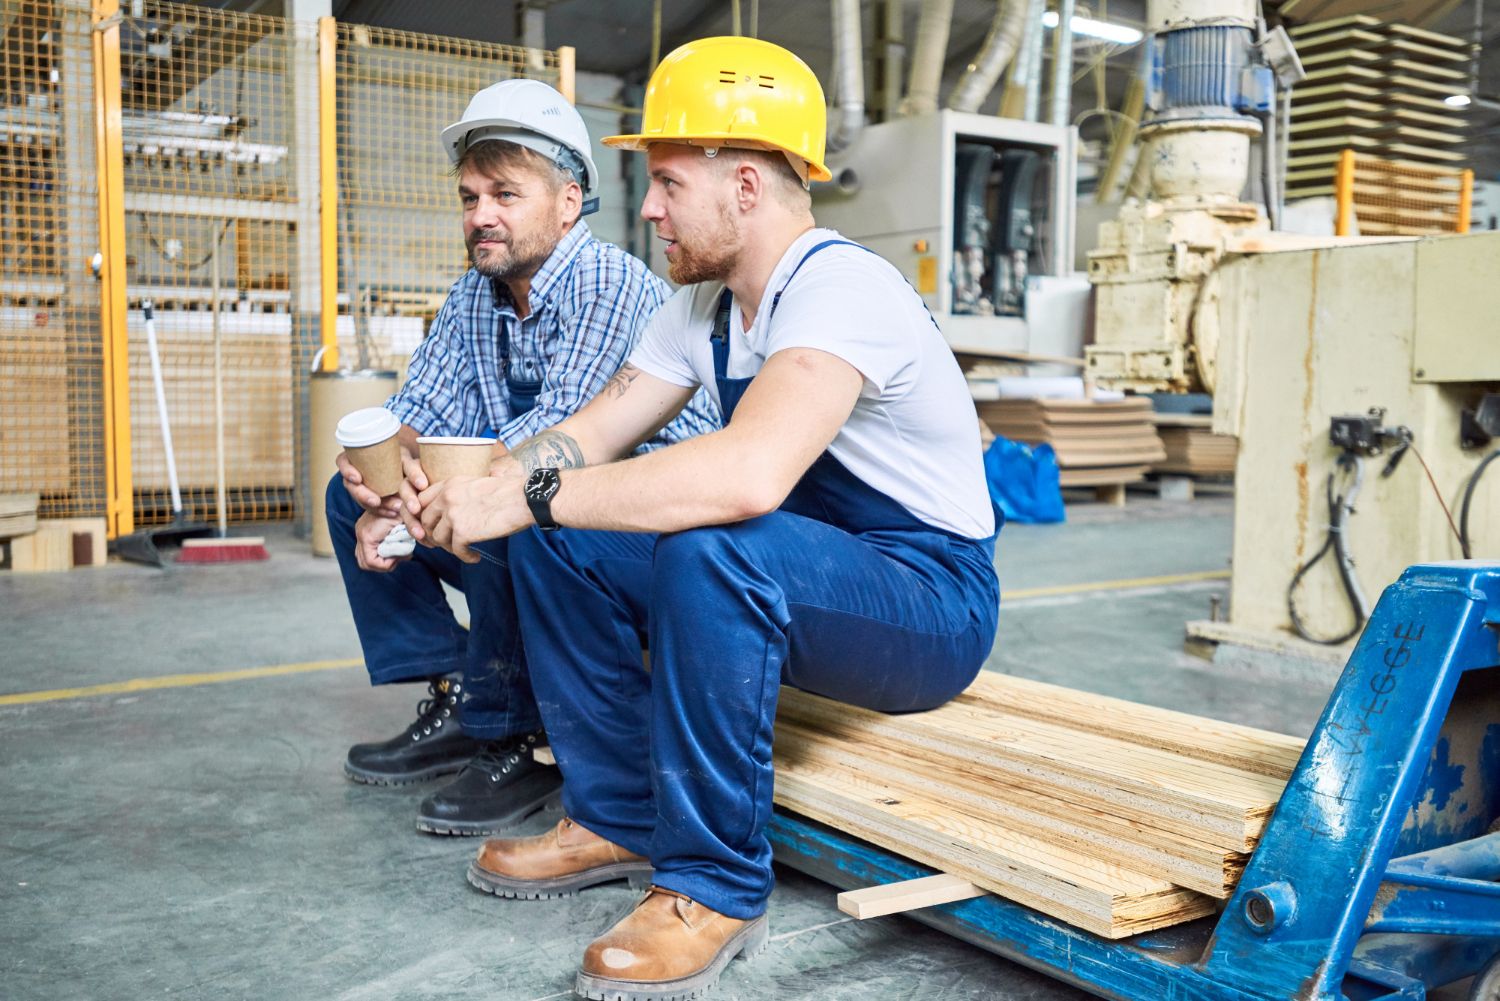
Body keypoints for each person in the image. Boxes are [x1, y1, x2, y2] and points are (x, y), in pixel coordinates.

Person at [400, 38, 1000, 1000]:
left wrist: (526, 489)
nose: (645, 208)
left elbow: (751, 473)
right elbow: (587, 437)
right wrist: (480, 490)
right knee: (564, 532)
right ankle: (617, 815)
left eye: (668, 182)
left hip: (928, 599)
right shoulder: (703, 311)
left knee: (711, 539)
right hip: (808, 567)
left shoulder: (841, 289)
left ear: (749, 185)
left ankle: (713, 884)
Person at [327, 78, 718, 837]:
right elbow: (418, 416)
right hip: (527, 499)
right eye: (470, 198)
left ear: (568, 202)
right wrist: (379, 486)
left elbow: (559, 445)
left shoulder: (608, 283)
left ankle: (513, 740)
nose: (481, 217)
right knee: (350, 494)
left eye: (506, 194)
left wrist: (424, 492)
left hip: (643, 539)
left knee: (512, 507)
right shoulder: (476, 293)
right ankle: (462, 700)